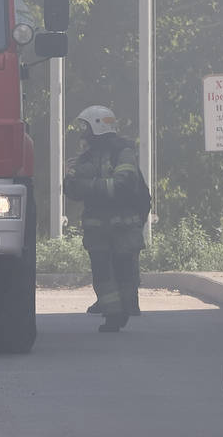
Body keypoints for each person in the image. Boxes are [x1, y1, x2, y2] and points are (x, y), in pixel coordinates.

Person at [63, 106, 145, 332]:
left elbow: (123, 185)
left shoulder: (123, 153)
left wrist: (89, 185)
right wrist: (72, 178)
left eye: (86, 127)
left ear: (97, 126)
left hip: (122, 225)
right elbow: (72, 189)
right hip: (97, 228)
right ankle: (112, 315)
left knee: (123, 270)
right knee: (102, 273)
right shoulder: (86, 157)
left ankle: (124, 310)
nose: (83, 132)